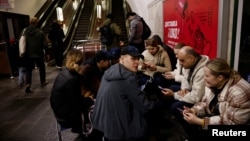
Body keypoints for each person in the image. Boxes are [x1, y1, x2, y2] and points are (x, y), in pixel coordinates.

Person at [92, 46, 157, 141]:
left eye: (138, 59)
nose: (137, 62)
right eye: (133, 59)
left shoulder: (109, 72)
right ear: (122, 59)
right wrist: (156, 103)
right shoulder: (128, 78)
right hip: (120, 130)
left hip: (103, 125)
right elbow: (145, 106)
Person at [180, 58, 250, 140]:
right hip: (218, 117)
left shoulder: (239, 93)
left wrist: (201, 122)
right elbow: (205, 103)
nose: (204, 78)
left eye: (207, 76)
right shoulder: (213, 83)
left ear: (220, 77)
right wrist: (194, 110)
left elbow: (232, 123)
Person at [161, 46, 209, 119]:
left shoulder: (203, 71)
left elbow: (196, 97)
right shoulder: (189, 64)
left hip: (202, 99)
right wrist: (184, 89)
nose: (180, 63)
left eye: (182, 60)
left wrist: (174, 94)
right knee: (172, 88)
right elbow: (185, 78)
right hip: (194, 92)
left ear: (191, 58)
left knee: (175, 107)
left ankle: (193, 127)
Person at [50, 49, 87, 137]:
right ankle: (85, 133)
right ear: (81, 62)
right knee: (91, 110)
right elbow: (76, 103)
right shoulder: (73, 79)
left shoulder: (64, 72)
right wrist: (89, 101)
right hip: (65, 116)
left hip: (57, 110)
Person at [24, 17, 48, 93]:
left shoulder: (25, 32)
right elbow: (45, 44)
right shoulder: (40, 32)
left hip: (28, 54)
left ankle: (28, 83)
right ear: (36, 23)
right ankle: (43, 81)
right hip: (38, 53)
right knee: (41, 67)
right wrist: (47, 53)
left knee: (28, 69)